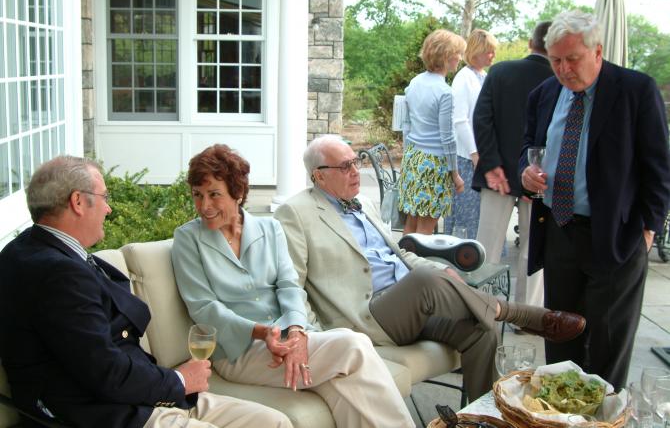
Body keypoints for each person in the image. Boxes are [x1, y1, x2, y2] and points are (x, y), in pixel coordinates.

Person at [274, 134, 587, 401]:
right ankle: (522, 314)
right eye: (345, 166)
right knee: (428, 278)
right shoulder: (297, 213)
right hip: (367, 316)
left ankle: (479, 417)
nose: (356, 171)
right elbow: (292, 282)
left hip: (408, 305)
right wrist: (313, 337)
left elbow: (397, 255)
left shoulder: (363, 204)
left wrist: (442, 276)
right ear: (318, 175)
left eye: (356, 161)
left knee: (482, 330)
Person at [0, 156, 292, 428]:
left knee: (274, 422)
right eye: (105, 197)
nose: (108, 208)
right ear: (78, 201)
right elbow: (105, 372)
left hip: (144, 393)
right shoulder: (57, 273)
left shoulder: (31, 248)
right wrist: (179, 380)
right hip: (106, 413)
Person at [171, 144, 414, 428]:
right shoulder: (188, 239)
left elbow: (289, 285)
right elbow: (204, 308)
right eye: (197, 196)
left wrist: (296, 333)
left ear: (237, 193)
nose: (204, 206)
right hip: (240, 350)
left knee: (346, 388)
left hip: (290, 338)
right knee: (354, 344)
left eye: (214, 195)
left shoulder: (269, 229)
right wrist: (265, 333)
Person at [519, 11, 670, 390]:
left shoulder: (635, 90)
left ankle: (602, 416)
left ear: (597, 51)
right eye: (556, 60)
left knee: (607, 344)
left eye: (573, 59)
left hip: (617, 236)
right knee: (560, 336)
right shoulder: (544, 94)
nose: (564, 69)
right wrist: (525, 171)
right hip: (559, 230)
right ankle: (558, 414)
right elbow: (529, 148)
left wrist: (648, 230)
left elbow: (659, 169)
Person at [472, 21, 554, 308]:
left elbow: (481, 120)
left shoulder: (501, 71)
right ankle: (527, 315)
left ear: (531, 42)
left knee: (487, 247)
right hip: (541, 176)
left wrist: (492, 163)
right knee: (534, 250)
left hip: (498, 175)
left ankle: (482, 308)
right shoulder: (559, 80)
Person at [397, 29, 466, 235]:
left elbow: (406, 126)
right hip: (434, 166)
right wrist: (455, 174)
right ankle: (420, 267)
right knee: (426, 228)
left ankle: (405, 265)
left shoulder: (415, 83)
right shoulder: (445, 92)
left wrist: (406, 158)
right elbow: (447, 137)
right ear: (446, 56)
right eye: (457, 53)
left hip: (413, 158)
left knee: (411, 224)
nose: (460, 59)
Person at [444, 29, 498, 240]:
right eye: (489, 51)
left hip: (483, 155)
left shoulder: (484, 76)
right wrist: (474, 153)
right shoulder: (463, 78)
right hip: (467, 157)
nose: (493, 55)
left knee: (484, 216)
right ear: (476, 51)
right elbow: (459, 120)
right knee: (467, 215)